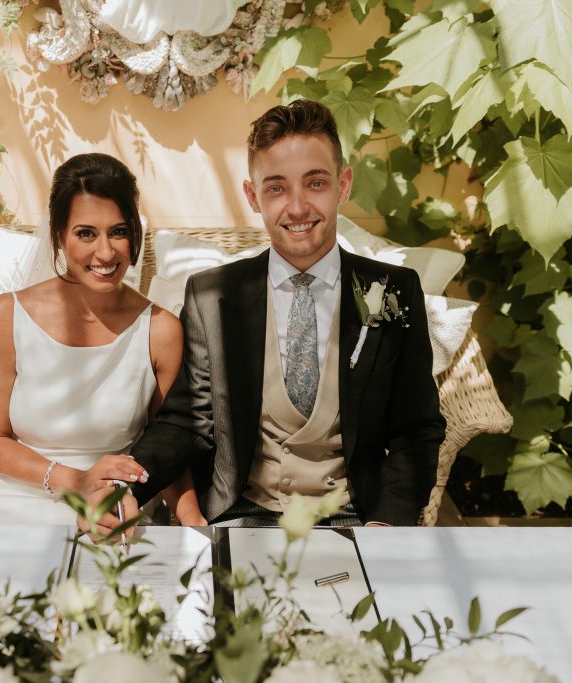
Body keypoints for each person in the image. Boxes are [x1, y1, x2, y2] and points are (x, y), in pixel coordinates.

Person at [97, 99, 445, 531]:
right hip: (242, 514)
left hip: (355, 518)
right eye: (277, 188)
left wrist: (387, 524)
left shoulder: (393, 290)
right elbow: (187, 422)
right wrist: (126, 488)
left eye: (315, 183)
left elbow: (416, 429)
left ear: (343, 185)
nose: (297, 208)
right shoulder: (211, 295)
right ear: (253, 196)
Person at [0, 153, 206, 526]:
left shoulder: (161, 330)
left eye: (119, 231)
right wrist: (76, 481)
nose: (106, 253)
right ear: (59, 235)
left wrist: (193, 522)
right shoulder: (7, 314)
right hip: (16, 498)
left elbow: (171, 443)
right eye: (86, 233)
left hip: (116, 503)